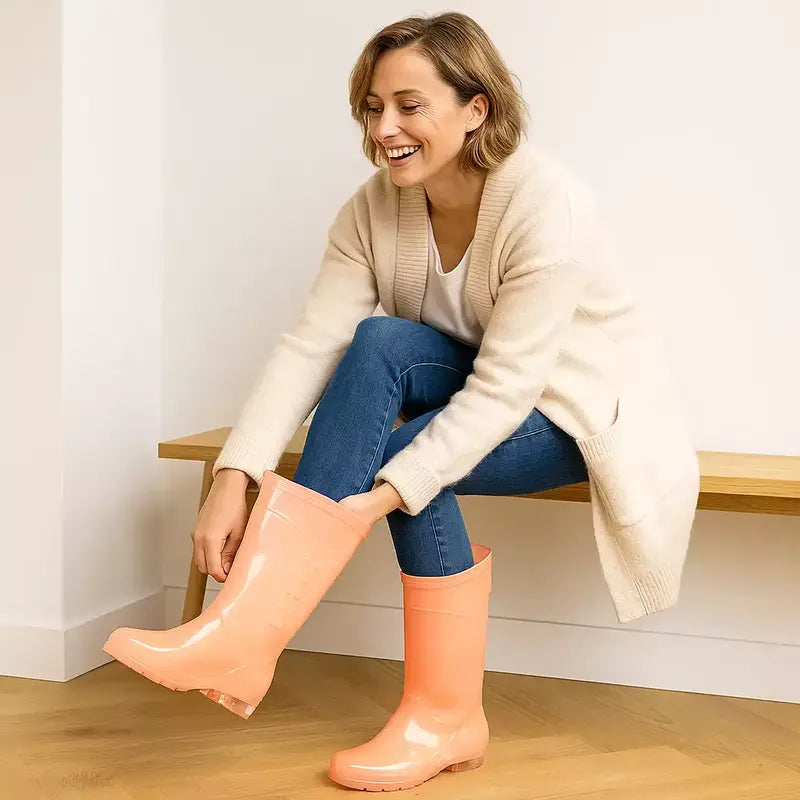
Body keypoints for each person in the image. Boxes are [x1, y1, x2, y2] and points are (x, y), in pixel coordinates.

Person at [103, 11, 700, 793]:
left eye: (410, 105)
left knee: (415, 467)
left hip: (583, 415)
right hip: (489, 389)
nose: (386, 128)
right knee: (379, 341)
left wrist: (382, 492)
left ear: (475, 108)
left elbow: (505, 391)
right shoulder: (374, 208)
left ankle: (435, 710)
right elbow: (310, 344)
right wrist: (233, 477)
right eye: (373, 107)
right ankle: (250, 634)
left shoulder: (544, 201)